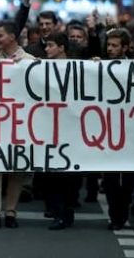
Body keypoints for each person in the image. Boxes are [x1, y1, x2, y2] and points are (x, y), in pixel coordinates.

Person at [0, 20, 35, 230]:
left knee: (16, 169)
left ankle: (11, 211)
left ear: (12, 37)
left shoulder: (31, 62)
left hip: (21, 124)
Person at [40, 32, 80, 230]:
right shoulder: (41, 68)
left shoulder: (78, 68)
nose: (46, 49)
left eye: (50, 45)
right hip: (49, 128)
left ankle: (68, 211)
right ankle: (58, 213)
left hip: (71, 128)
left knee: (69, 174)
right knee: (52, 174)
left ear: (62, 47)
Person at [100, 28, 134, 231]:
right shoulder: (101, 66)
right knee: (111, 177)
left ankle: (123, 209)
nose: (110, 49)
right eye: (109, 45)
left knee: (129, 178)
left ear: (125, 48)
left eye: (115, 46)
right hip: (109, 130)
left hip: (131, 131)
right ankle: (116, 216)